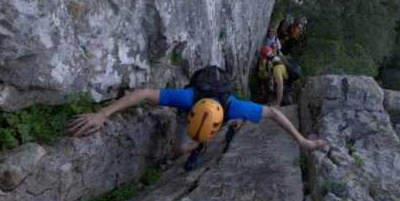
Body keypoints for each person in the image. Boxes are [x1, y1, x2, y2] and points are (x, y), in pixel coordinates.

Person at [68, 69, 326, 170]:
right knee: (180, 149)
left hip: (224, 117)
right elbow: (144, 94)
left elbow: (273, 112)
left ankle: (210, 138)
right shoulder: (186, 97)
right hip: (191, 114)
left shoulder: (233, 106)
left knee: (189, 144)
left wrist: (302, 140)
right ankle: (200, 144)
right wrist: (102, 114)